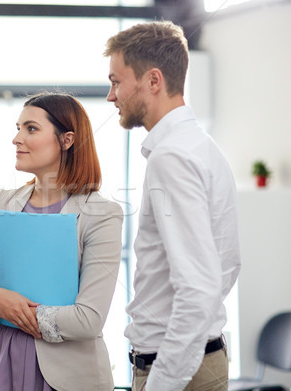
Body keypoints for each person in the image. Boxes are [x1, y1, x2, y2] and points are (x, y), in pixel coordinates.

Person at [0, 92, 123, 391]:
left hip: (68, 378)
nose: (16, 139)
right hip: (4, 366)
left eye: (30, 129)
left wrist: (10, 308)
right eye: (18, 128)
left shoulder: (101, 214)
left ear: (67, 140)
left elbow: (88, 319)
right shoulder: (3, 203)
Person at [104, 21, 241, 391]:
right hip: (197, 359)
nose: (110, 96)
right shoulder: (201, 147)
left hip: (176, 368)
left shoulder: (172, 157)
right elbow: (225, 266)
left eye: (117, 82)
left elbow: (201, 287)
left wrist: (162, 382)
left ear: (153, 80)